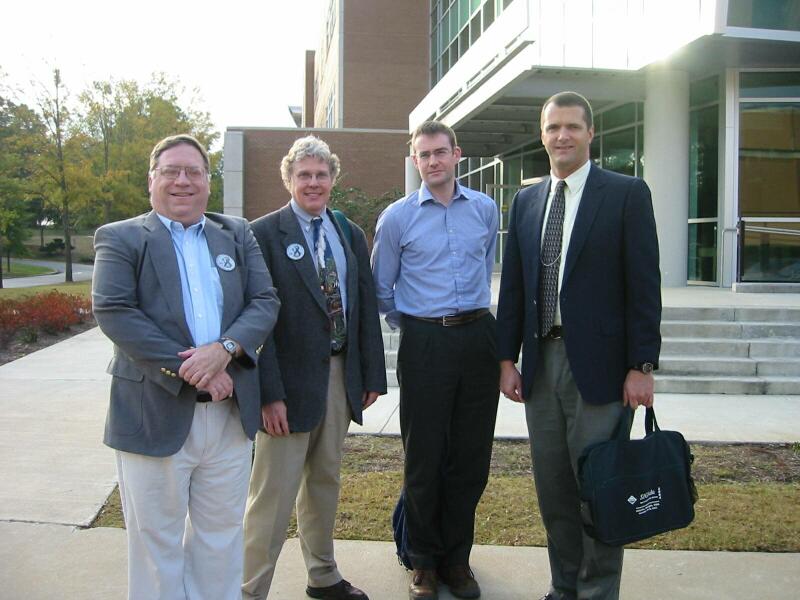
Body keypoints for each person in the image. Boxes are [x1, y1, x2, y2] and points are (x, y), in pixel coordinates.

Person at [92, 134, 280, 600]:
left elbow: (264, 300)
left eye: (194, 172)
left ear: (208, 182)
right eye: (171, 171)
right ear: (151, 180)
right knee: (156, 544)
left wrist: (225, 349)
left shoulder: (237, 233)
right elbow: (115, 311)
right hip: (153, 413)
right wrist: (196, 369)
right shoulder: (121, 237)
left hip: (229, 415)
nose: (183, 181)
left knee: (221, 537)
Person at [496, 91, 662, 600]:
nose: (562, 135)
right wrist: (506, 359)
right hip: (541, 365)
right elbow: (514, 288)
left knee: (599, 486)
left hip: (603, 369)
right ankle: (563, 585)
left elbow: (644, 286)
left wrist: (642, 365)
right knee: (554, 489)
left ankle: (597, 591)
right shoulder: (526, 202)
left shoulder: (626, 194)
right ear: (542, 135)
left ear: (591, 133)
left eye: (572, 126)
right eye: (553, 127)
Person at [241, 135, 387, 600]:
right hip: (286, 387)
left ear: (333, 180)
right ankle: (248, 590)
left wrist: (370, 374)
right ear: (288, 179)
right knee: (272, 495)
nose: (313, 182)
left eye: (321, 174)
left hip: (340, 377)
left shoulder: (347, 231)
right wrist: (269, 393)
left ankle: (322, 576)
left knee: (324, 482)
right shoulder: (263, 234)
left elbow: (363, 304)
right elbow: (256, 322)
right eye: (304, 174)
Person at [372, 120, 499, 600]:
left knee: (471, 457)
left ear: (456, 154)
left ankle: (457, 560)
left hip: (478, 339)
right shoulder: (397, 218)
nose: (433, 161)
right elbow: (382, 286)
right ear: (415, 160)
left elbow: (485, 264)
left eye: (440, 152)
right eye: (423, 155)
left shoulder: (484, 209)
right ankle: (423, 561)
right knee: (424, 456)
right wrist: (416, 326)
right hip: (425, 341)